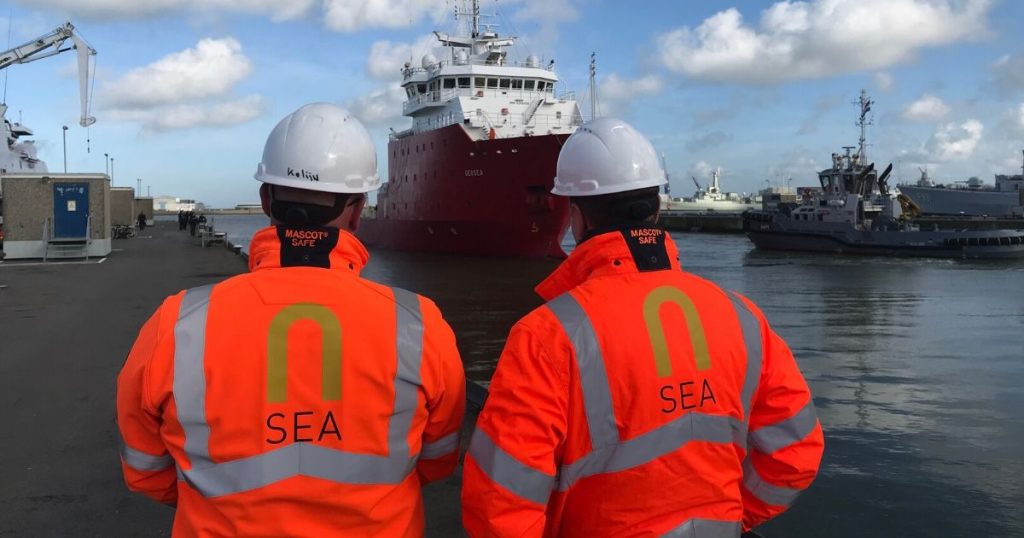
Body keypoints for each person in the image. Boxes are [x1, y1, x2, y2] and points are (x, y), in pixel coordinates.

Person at [461, 118, 823, 537]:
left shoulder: (547, 335)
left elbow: (499, 504)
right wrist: (736, 516)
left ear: (576, 217)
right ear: (657, 209)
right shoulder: (743, 317)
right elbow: (796, 455)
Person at [117, 103, 466, 536]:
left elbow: (146, 471)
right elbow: (436, 462)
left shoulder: (178, 322)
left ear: (266, 199)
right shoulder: (419, 325)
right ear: (358, 209)